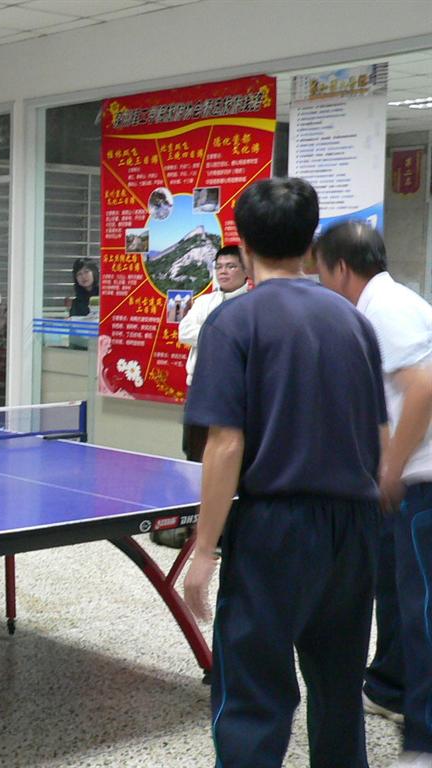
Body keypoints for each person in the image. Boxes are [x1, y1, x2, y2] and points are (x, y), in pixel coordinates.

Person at [182, 178, 385, 768]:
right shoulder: (353, 320)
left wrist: (204, 549)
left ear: (243, 246)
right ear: (311, 242)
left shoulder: (233, 322)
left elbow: (225, 445)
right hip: (353, 527)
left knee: (254, 693)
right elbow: (376, 431)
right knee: (339, 689)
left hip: (276, 529)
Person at [314, 221, 432, 768]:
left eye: (322, 272)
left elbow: (423, 389)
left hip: (423, 483)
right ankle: (389, 686)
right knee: (397, 593)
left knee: (422, 612)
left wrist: (392, 467)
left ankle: (424, 741)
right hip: (410, 485)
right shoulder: (387, 305)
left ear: (341, 268)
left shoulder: (385, 308)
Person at [152, 245, 249, 548]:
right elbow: (184, 332)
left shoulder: (252, 303)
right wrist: (221, 334)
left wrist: (209, 331)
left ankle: (227, 529)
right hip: (199, 388)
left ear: (246, 270)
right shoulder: (205, 301)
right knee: (196, 456)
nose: (224, 271)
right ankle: (197, 526)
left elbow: (241, 340)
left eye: (231, 266)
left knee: (232, 459)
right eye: (219, 266)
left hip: (236, 393)